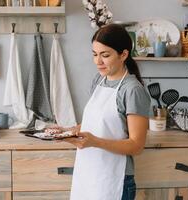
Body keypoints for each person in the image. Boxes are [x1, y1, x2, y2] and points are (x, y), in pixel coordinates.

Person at [48, 23, 150, 200]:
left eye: (105, 55)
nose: (98, 61)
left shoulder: (132, 90)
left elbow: (136, 145)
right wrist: (66, 131)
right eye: (94, 54)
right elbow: (95, 124)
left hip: (115, 179)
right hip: (89, 173)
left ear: (123, 54)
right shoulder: (99, 80)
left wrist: (95, 142)